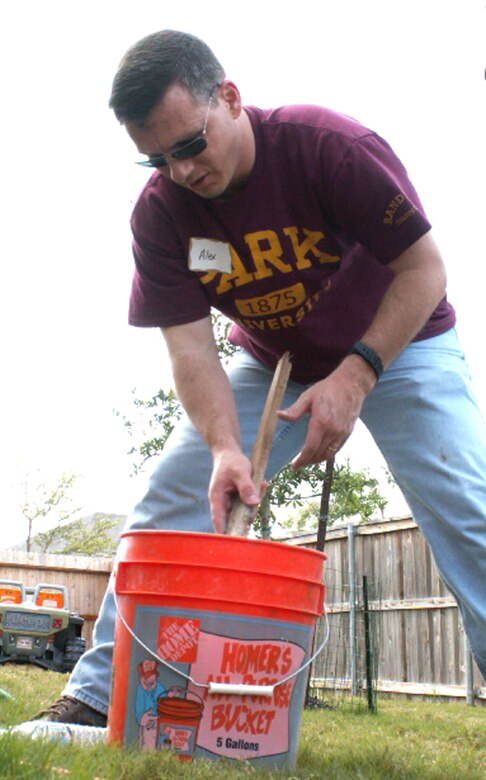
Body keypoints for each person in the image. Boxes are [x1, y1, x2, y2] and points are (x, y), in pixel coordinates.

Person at [37, 30, 486, 726]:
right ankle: (94, 700)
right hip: (272, 357)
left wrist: (358, 373)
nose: (181, 171)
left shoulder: (329, 148)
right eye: (156, 158)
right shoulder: (161, 213)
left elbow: (425, 270)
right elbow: (191, 351)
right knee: (169, 499)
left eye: (190, 145)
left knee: (468, 513)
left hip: (401, 344)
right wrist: (223, 448)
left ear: (231, 98)